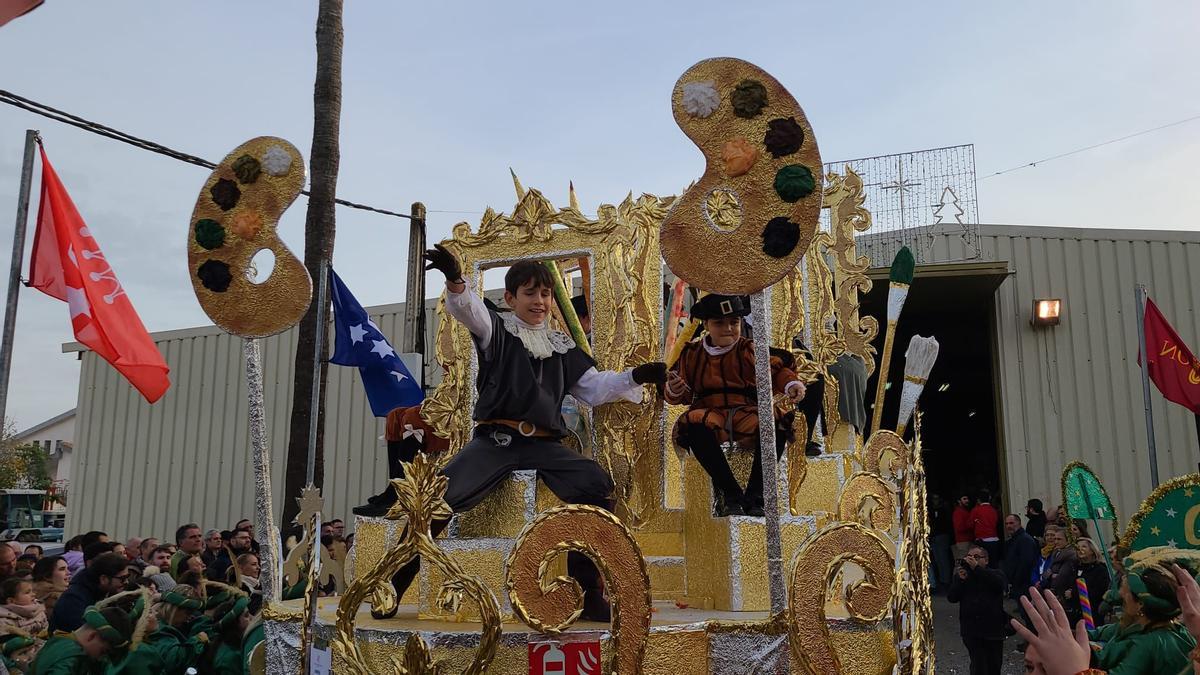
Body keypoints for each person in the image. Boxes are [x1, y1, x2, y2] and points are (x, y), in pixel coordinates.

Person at [407, 247, 667, 622]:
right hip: (496, 441)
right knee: (436, 497)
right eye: (530, 293)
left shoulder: (563, 346)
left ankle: (590, 593)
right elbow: (470, 310)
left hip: (545, 445)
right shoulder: (497, 331)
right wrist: (455, 279)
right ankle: (391, 584)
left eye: (545, 294)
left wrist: (636, 377)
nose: (540, 301)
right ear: (511, 298)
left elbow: (593, 389)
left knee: (596, 484)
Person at [664, 293, 805, 517]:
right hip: (710, 414)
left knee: (777, 424)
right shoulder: (691, 353)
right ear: (706, 325)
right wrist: (675, 389)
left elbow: (778, 370)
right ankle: (731, 492)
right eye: (720, 323)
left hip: (746, 411)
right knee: (693, 426)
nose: (728, 328)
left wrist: (791, 385)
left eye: (734, 322)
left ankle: (756, 495)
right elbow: (677, 393)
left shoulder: (749, 349)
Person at [1014, 553, 1200, 675]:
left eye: (1125, 596)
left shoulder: (1149, 644)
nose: (1119, 596)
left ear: (1139, 605)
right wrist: (1066, 636)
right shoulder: (1139, 626)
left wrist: (1074, 669)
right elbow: (1104, 632)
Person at [116, 586, 209, 674]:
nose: (190, 617)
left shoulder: (162, 625)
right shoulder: (154, 634)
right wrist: (197, 641)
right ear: (174, 609)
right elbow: (172, 660)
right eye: (188, 613)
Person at [947, 544, 1009, 675]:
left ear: (986, 560)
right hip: (971, 630)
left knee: (994, 666)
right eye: (969, 557)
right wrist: (960, 581)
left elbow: (998, 586)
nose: (972, 560)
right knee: (978, 666)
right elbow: (952, 598)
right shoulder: (963, 576)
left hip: (993, 631)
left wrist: (976, 569)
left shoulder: (995, 573)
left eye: (976, 557)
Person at [31, 604, 133, 674]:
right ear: (92, 636)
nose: (101, 658)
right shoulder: (72, 658)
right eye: (103, 651)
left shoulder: (59, 641)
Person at [49, 553, 129, 633]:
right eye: (122, 578)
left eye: (127, 577)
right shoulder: (74, 599)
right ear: (104, 579)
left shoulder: (104, 592)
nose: (126, 582)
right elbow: (83, 633)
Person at [0, 577, 48, 663]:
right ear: (11, 600)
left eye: (32, 591)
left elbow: (47, 630)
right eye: (27, 592)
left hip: (43, 651)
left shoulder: (39, 611)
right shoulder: (4, 618)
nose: (33, 594)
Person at [1065, 537, 1109, 628]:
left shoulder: (1100, 569)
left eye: (1084, 547)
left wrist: (1074, 593)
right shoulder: (1076, 567)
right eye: (1078, 547)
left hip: (1092, 615)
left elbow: (1099, 591)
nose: (1080, 549)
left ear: (1092, 550)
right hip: (1075, 614)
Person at [1037, 526, 1078, 613]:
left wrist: (1051, 574)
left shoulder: (1071, 555)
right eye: (1055, 539)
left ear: (1068, 540)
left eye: (1059, 539)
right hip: (1052, 592)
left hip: (1062, 594)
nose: (1056, 542)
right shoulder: (1056, 552)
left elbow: (1062, 577)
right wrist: (1051, 575)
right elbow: (1046, 572)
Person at [1002, 514, 1040, 601]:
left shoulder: (1025, 540)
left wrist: (1016, 581)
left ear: (1019, 523)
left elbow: (1026, 563)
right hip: (1017, 584)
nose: (1008, 526)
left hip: (1024, 584)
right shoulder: (1012, 541)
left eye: (1011, 523)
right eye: (1006, 524)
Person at [929, 494, 955, 593]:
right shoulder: (932, 510)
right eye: (933, 499)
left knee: (943, 559)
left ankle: (945, 580)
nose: (935, 501)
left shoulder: (943, 511)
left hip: (941, 536)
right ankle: (941, 579)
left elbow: (944, 523)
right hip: (935, 537)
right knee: (938, 559)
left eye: (936, 499)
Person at [970, 490, 1002, 567]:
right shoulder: (993, 510)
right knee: (994, 564)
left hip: (982, 541)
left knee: (982, 565)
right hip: (994, 540)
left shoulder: (976, 510)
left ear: (978, 500)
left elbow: (970, 525)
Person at [33, 556, 70, 620]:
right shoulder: (54, 600)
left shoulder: (66, 594)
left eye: (67, 568)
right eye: (62, 569)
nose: (68, 572)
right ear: (47, 576)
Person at [953, 494, 975, 560]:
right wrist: (971, 524)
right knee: (963, 563)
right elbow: (959, 528)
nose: (967, 501)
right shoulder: (958, 512)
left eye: (967, 499)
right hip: (963, 542)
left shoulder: (964, 511)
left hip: (967, 541)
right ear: (959, 501)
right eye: (964, 499)